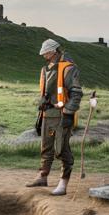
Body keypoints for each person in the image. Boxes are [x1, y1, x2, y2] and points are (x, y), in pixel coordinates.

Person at [26, 39, 83, 196]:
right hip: (47, 113)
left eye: (46, 52)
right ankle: (42, 176)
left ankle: (63, 183)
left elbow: (76, 93)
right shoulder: (46, 69)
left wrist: (68, 113)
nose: (43, 55)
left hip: (62, 114)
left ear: (53, 51)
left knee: (61, 149)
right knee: (46, 147)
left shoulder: (68, 68)